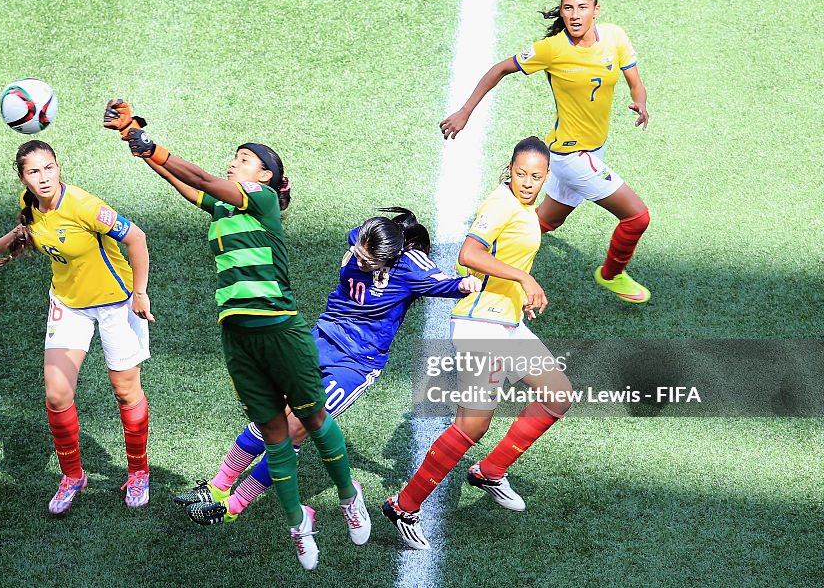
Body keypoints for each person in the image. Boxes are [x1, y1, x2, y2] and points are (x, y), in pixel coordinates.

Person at [102, 99, 369, 571]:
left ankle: (350, 496)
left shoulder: (262, 201)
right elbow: (192, 189)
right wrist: (140, 149)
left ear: (265, 177)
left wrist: (153, 145)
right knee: (272, 434)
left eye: (245, 159)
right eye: (236, 157)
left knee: (313, 420)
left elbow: (204, 178)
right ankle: (296, 522)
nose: (234, 162)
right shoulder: (223, 212)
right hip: (237, 334)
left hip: (279, 327)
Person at [174, 208, 483, 527]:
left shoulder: (410, 269)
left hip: (354, 363)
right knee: (270, 416)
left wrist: (469, 284)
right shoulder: (361, 238)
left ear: (390, 260)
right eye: (358, 253)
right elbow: (359, 244)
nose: (359, 262)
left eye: (368, 261)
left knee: (294, 428)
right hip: (319, 340)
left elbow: (448, 284)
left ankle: (235, 505)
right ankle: (217, 487)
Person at [382, 137, 573, 550]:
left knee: (557, 395)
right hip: (480, 326)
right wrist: (524, 279)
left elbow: (517, 251)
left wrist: (521, 292)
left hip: (506, 322)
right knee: (473, 423)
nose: (527, 182)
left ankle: (490, 471)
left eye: (536, 176)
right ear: (510, 168)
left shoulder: (523, 208)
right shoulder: (500, 203)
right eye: (521, 173)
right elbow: (469, 254)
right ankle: (404, 505)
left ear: (545, 177)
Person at [0, 140, 155, 515]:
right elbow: (26, 229)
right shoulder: (29, 202)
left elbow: (137, 237)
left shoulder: (84, 206)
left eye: (49, 168)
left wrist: (140, 293)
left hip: (117, 303)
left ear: (59, 167)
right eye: (34, 172)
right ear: (23, 177)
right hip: (69, 305)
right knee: (57, 395)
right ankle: (72, 476)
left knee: (126, 391)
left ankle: (138, 471)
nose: (43, 178)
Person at [440, 0, 653, 303]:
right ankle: (611, 274)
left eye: (582, 7)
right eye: (568, 7)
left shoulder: (615, 37)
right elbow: (499, 69)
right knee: (637, 216)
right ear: (562, 12)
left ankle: (478, 261)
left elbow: (635, 82)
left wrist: (641, 102)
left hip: (593, 149)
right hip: (571, 157)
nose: (575, 14)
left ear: (596, 10)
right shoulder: (552, 50)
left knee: (543, 222)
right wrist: (465, 111)